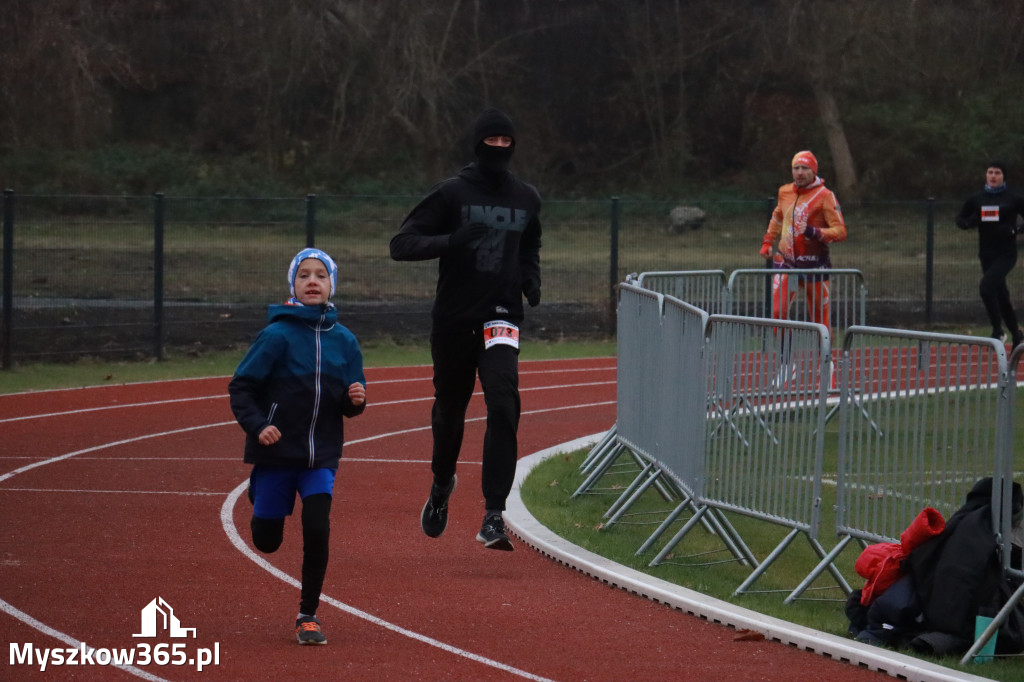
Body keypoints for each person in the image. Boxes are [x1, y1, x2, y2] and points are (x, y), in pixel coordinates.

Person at [389, 108, 542, 552]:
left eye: (506, 142)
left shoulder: (527, 197)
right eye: (490, 141)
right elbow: (401, 245)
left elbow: (530, 242)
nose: (498, 148)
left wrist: (530, 277)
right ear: (477, 144)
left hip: (501, 316)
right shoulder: (451, 193)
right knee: (449, 412)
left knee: (504, 401)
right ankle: (441, 484)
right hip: (455, 319)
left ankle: (494, 514)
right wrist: (450, 240)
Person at [228, 247, 366, 645]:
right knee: (267, 542)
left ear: (331, 285)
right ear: (293, 284)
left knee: (317, 527)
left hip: (320, 456)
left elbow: (350, 402)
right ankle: (261, 495)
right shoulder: (276, 335)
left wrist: (355, 400)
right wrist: (258, 427)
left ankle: (308, 614)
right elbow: (242, 388)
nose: (312, 281)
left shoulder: (345, 341)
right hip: (276, 455)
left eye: (320, 275)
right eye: (304, 274)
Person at [759, 150, 848, 328]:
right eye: (796, 168)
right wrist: (768, 241)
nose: (799, 172)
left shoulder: (825, 196)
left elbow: (840, 232)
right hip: (786, 264)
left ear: (814, 171)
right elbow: (778, 216)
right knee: (777, 313)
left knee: (819, 321)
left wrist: (813, 232)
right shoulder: (784, 192)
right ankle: (786, 355)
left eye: (805, 168)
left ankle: (824, 356)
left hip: (815, 267)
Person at [955, 161, 1024, 348]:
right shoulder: (977, 199)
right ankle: (1017, 334)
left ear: (1003, 176)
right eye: (990, 172)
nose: (993, 176)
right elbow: (960, 219)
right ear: (986, 175)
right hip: (986, 253)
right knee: (1001, 295)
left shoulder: (1013, 199)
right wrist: (970, 223)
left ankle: (997, 331)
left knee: (986, 288)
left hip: (1006, 254)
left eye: (997, 172)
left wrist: (1015, 230)